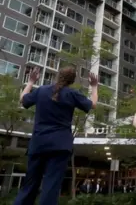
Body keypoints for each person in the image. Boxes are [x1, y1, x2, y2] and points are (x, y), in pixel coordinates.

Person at [13, 67, 98, 205]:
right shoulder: (72, 94)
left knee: (29, 185)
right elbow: (93, 104)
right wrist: (94, 86)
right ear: (72, 80)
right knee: (51, 186)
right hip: (60, 145)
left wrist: (30, 82)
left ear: (58, 76)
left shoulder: (41, 90)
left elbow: (23, 100)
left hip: (39, 143)